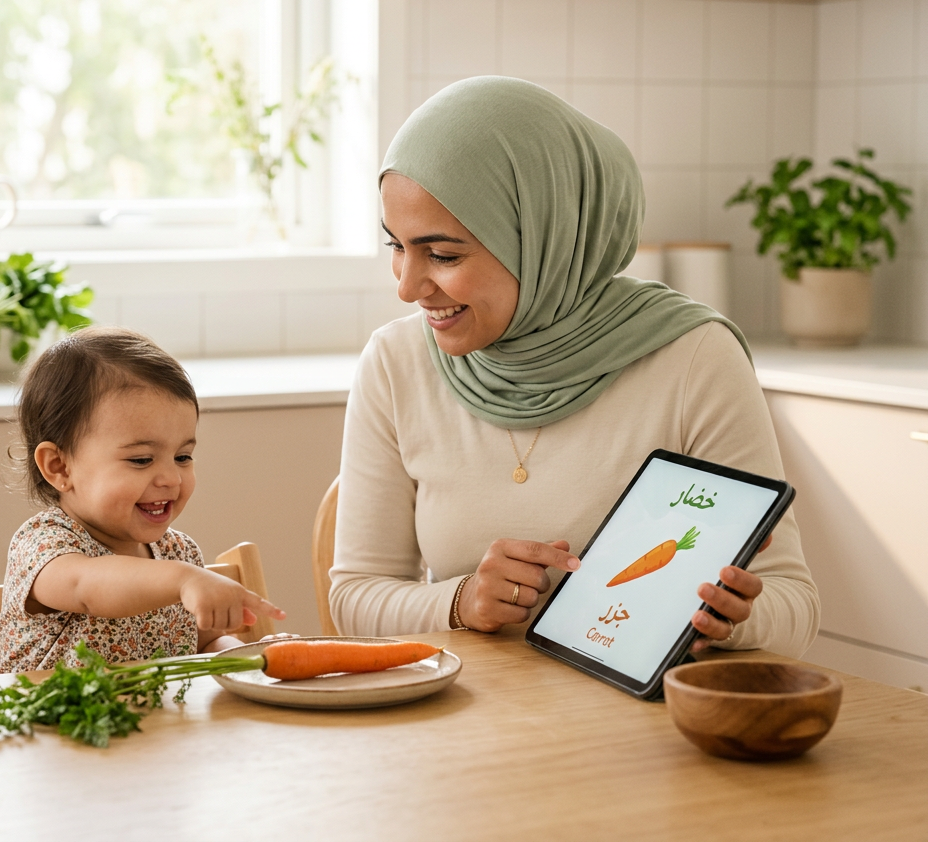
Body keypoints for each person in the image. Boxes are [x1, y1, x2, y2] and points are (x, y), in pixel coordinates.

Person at [330, 77, 819, 658]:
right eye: (396, 246)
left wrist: (735, 619)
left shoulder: (692, 358)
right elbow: (354, 597)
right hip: (460, 726)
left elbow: (794, 604)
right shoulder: (395, 363)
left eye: (442, 255)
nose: (408, 287)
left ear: (541, 235)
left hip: (639, 732)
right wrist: (459, 602)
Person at [0, 327, 285, 673]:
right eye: (141, 460)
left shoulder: (179, 553)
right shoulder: (44, 545)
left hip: (156, 724)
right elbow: (89, 586)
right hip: (49, 725)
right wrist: (183, 580)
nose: (171, 479)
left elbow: (204, 642)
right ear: (60, 467)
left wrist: (244, 655)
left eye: (182, 457)